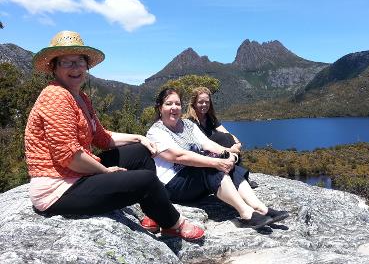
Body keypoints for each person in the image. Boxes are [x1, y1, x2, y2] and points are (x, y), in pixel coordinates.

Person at [24, 31, 204, 240]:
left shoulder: (80, 97)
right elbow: (70, 157)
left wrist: (139, 138)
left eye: (80, 61)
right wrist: (105, 171)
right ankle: (174, 224)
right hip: (57, 188)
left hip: (76, 174)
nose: (75, 68)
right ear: (54, 67)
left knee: (140, 152)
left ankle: (155, 212)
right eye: (67, 62)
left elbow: (102, 138)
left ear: (87, 66)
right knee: (145, 180)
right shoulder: (55, 96)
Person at [145, 88, 288, 230]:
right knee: (211, 166)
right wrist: (216, 162)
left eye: (177, 104)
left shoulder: (187, 125)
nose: (174, 108)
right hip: (174, 186)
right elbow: (178, 156)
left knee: (229, 166)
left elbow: (207, 143)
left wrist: (227, 154)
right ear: (159, 107)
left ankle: (261, 208)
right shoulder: (155, 132)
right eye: (169, 104)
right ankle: (246, 213)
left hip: (193, 179)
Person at [185, 86, 259, 188]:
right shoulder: (190, 121)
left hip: (215, 150)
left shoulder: (210, 118)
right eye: (200, 102)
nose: (204, 105)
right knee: (221, 137)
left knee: (227, 136)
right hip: (202, 152)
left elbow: (226, 132)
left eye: (207, 102)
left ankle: (239, 177)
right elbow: (204, 143)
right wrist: (230, 149)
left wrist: (237, 143)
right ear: (194, 103)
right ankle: (242, 178)